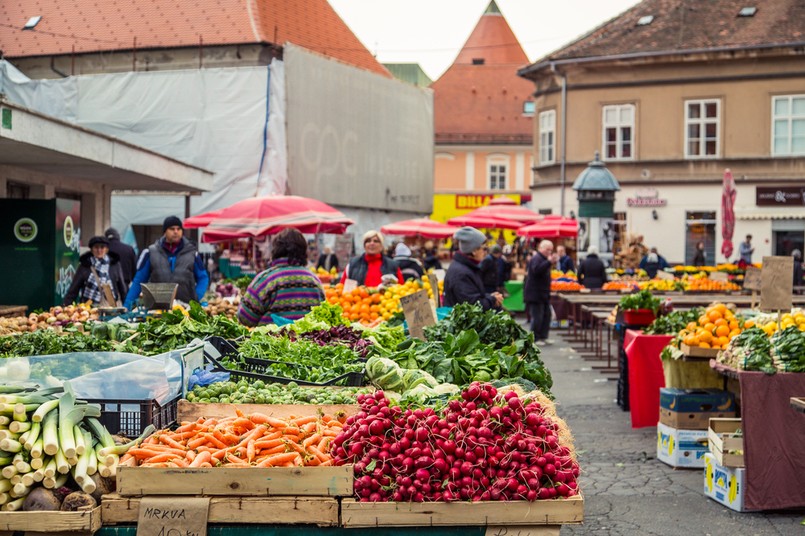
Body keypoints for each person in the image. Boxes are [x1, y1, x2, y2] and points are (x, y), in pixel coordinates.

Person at [237, 228, 325, 326]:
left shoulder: (265, 280)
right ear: (304, 252)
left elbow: (245, 318)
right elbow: (322, 317)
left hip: (271, 340)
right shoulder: (314, 281)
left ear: (276, 250)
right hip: (307, 340)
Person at [124, 216, 209, 309]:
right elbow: (138, 281)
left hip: (186, 309)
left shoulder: (192, 253)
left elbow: (203, 278)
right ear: (165, 231)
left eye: (179, 229)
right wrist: (127, 306)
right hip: (158, 310)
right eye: (172, 229)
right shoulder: (151, 253)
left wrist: (196, 298)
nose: (176, 231)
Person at [442, 227, 503, 310]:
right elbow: (473, 305)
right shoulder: (461, 273)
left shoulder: (466, 267)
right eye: (484, 248)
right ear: (474, 250)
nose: (486, 252)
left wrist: (489, 297)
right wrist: (492, 300)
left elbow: (472, 295)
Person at [63, 236, 128, 306]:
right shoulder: (85, 265)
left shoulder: (114, 264)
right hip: (88, 308)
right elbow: (74, 289)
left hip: (109, 308)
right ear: (92, 249)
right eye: (96, 247)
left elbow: (122, 288)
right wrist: (65, 306)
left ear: (106, 249)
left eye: (102, 247)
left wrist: (127, 307)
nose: (99, 250)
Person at [524, 240, 558, 346]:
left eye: (551, 250)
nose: (549, 252)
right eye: (547, 249)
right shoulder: (537, 258)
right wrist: (549, 262)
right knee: (537, 317)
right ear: (541, 248)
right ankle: (535, 338)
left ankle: (543, 336)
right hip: (535, 293)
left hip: (543, 293)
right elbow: (536, 270)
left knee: (546, 316)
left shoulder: (543, 259)